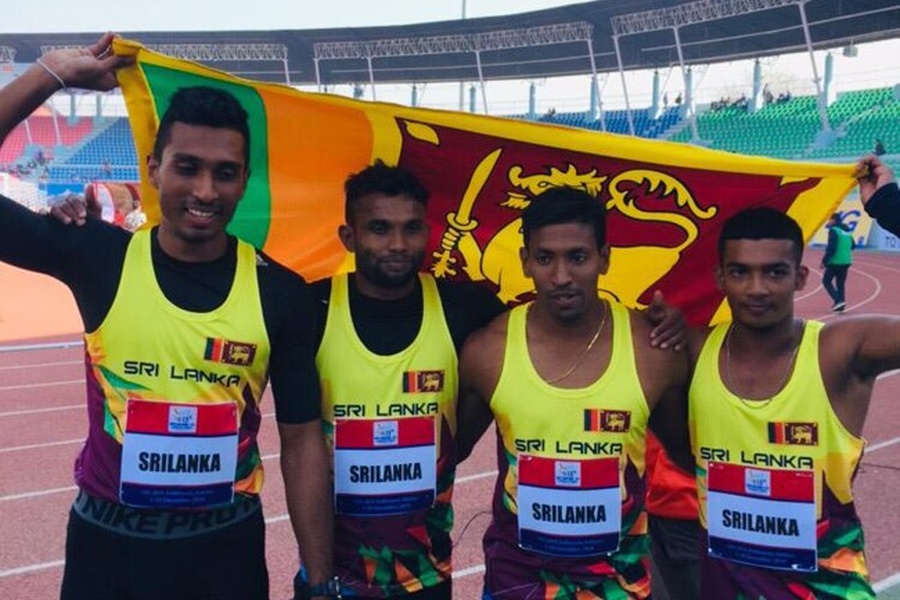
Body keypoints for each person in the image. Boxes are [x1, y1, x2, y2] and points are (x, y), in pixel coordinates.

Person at [1, 35, 333, 599]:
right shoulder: (95, 256)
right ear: (153, 169)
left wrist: (319, 582)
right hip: (107, 554)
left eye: (225, 173)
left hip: (225, 554)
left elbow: (302, 443)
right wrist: (50, 73)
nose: (205, 190)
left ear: (244, 180)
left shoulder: (281, 293)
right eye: (188, 167)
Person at [456, 187, 692, 599]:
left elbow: (690, 453)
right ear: (525, 261)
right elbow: (449, 449)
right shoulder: (487, 351)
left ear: (605, 256)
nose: (561, 276)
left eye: (577, 257)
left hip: (618, 584)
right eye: (545, 258)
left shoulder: (652, 352)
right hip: (519, 582)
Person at [297, 159, 507, 599]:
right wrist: (317, 582)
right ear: (348, 238)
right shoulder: (308, 308)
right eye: (379, 228)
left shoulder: (465, 307)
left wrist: (453, 442)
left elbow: (543, 335)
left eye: (411, 228)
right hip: (334, 580)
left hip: (426, 577)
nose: (397, 243)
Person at [686, 205, 900, 599]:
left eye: (775, 272)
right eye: (740, 272)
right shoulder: (693, 350)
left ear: (800, 276)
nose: (757, 288)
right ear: (720, 277)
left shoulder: (839, 350)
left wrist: (891, 206)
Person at [821, 212, 854, 312]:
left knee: (826, 281)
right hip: (846, 261)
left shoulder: (833, 230)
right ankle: (840, 305)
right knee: (840, 283)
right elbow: (853, 245)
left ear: (833, 220)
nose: (829, 221)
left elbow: (831, 247)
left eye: (829, 220)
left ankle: (838, 300)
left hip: (835, 261)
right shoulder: (847, 231)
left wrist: (824, 261)